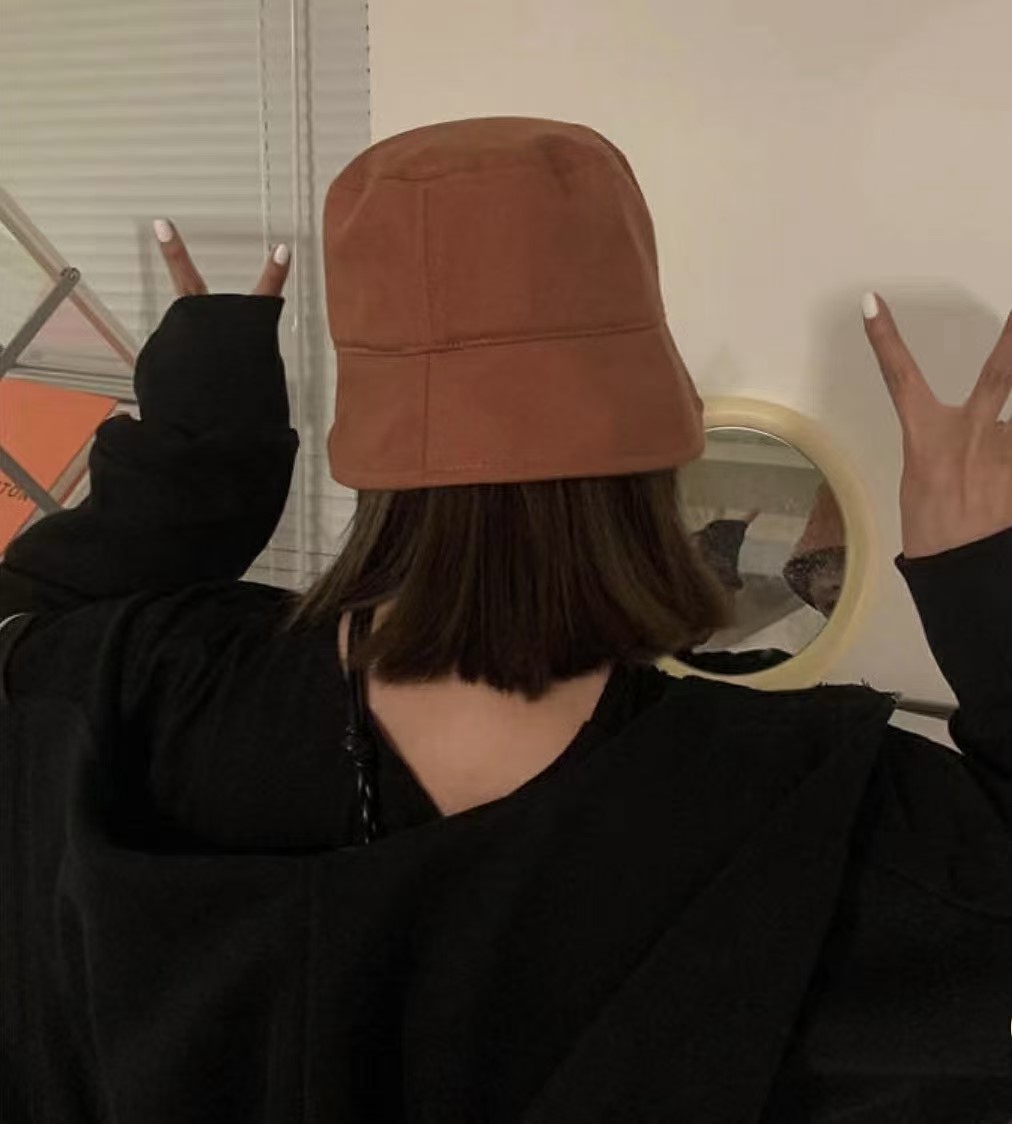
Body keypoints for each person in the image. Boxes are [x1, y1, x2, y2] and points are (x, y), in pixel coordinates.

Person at [0, 118, 1009, 1124]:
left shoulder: (144, 697)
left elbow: (30, 618)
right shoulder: (807, 817)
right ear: (658, 453)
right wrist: (979, 571)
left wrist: (204, 449)